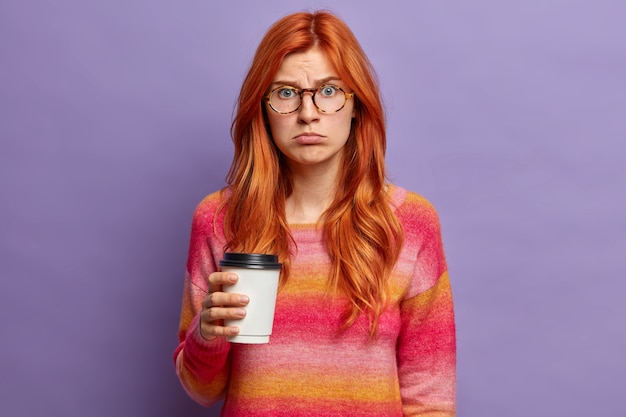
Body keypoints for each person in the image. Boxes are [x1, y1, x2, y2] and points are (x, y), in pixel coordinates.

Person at [174, 10, 456, 417]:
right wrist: (207, 334)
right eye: (286, 93)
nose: (309, 113)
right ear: (264, 109)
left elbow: (431, 399)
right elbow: (204, 390)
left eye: (328, 91)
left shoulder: (409, 223)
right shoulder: (219, 219)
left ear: (356, 104)